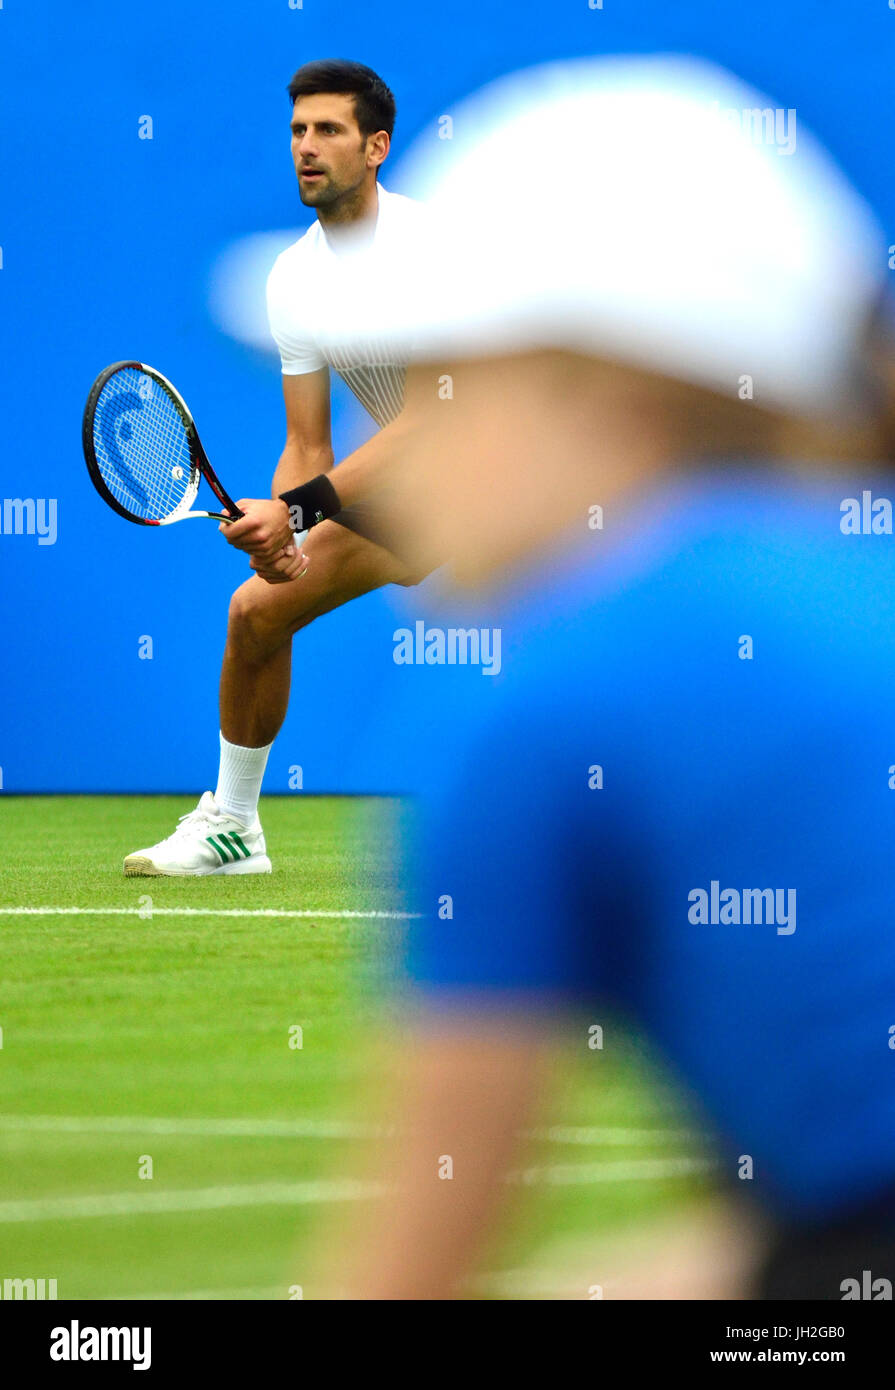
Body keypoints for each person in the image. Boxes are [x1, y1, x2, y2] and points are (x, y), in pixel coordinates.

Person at [316, 57, 895, 1299]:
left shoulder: (541, 702)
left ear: (602, 399)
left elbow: (401, 1280)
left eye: (438, 383)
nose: (394, 452)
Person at [124, 59, 432, 877]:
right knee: (258, 611)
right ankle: (233, 828)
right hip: (421, 490)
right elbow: (307, 442)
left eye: (328, 130)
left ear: (376, 147)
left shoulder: (431, 251)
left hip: (531, 480)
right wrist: (283, 528)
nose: (306, 147)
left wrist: (299, 512)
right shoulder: (294, 276)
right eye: (297, 130)